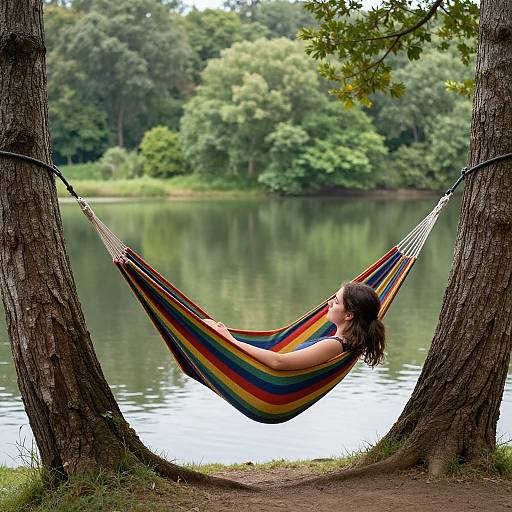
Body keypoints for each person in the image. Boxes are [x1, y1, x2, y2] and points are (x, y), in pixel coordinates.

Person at [203, 282, 386, 371]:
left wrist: (230, 341)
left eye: (336, 301)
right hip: (261, 377)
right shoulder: (347, 341)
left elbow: (278, 362)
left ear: (349, 315)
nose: (329, 302)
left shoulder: (334, 344)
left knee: (205, 331)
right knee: (207, 328)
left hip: (269, 389)